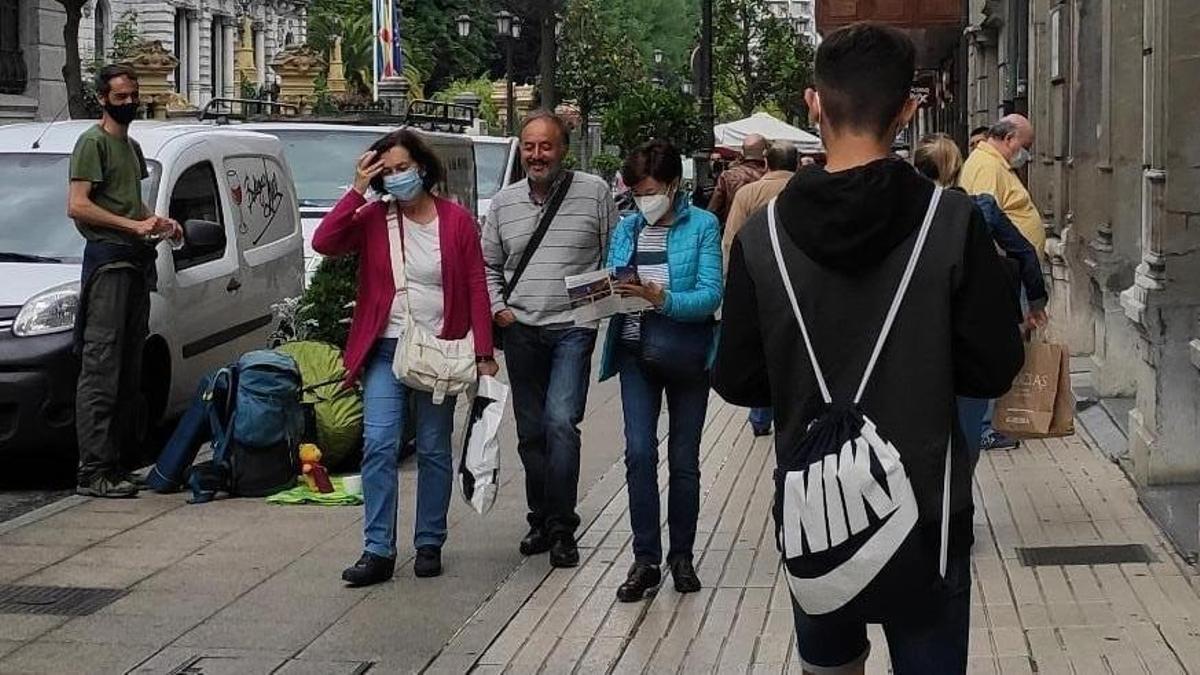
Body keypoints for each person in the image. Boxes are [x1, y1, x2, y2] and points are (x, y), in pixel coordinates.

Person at [714, 23, 1023, 674]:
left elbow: (739, 378)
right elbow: (994, 364)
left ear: (813, 105)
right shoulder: (952, 221)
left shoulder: (763, 236)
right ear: (909, 108)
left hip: (818, 507)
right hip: (929, 510)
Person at [313, 129, 496, 586]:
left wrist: (484, 352)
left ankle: (429, 541)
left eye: (402, 168)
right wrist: (356, 188)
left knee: (434, 448)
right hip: (386, 349)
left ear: (422, 167)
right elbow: (324, 242)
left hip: (439, 349)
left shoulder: (455, 221)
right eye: (387, 171)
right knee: (378, 444)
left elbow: (476, 284)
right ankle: (377, 549)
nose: (397, 178)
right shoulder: (374, 217)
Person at [482, 111, 619, 568]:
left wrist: (593, 313)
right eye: (529, 147)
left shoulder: (595, 193)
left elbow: (612, 253)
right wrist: (498, 307)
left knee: (561, 423)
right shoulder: (503, 204)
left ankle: (562, 526)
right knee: (530, 432)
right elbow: (487, 265)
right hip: (520, 328)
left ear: (563, 149)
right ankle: (539, 517)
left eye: (546, 146)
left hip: (572, 330)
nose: (537, 155)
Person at [597, 140, 722, 602]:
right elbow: (614, 277)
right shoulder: (628, 228)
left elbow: (711, 294)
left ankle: (682, 556)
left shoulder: (703, 225)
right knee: (638, 454)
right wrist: (605, 293)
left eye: (650, 190)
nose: (643, 200)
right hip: (634, 354)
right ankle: (645, 557)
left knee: (684, 462)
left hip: (686, 354)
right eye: (636, 192)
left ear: (672, 185)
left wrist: (662, 299)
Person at [69, 64, 182, 498]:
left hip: (134, 262)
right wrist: (131, 227)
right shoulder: (91, 143)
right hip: (109, 265)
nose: (130, 102)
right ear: (103, 99)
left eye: (133, 94)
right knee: (102, 368)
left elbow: (130, 205)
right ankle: (93, 470)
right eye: (120, 97)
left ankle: (115, 464)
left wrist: (159, 224)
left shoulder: (130, 146)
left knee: (127, 370)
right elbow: (78, 206)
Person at [914, 133, 1048, 462]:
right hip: (972, 328)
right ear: (956, 167)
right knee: (968, 415)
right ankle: (961, 489)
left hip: (919, 329)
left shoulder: (902, 211)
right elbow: (1025, 253)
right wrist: (1036, 302)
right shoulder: (977, 207)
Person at [722, 141, 800, 437]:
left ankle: (760, 416)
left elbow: (731, 240)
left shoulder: (748, 193)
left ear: (767, 163)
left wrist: (732, 282)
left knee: (762, 345)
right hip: (800, 282)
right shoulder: (807, 189)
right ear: (796, 162)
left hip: (759, 280)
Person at [960, 114, 1045, 255]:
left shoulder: (994, 162)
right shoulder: (988, 166)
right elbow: (986, 223)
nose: (1027, 155)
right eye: (1025, 147)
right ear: (1009, 138)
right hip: (1010, 265)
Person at [706, 134, 768, 224]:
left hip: (735, 230)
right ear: (765, 152)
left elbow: (713, 211)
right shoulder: (773, 177)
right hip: (766, 232)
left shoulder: (728, 176)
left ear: (742, 152)